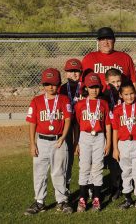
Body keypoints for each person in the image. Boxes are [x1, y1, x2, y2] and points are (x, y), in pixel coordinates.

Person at [25, 68, 73, 215]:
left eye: (53, 84)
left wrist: (63, 138)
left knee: (59, 172)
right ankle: (39, 201)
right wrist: (32, 143)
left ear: (58, 84)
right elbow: (32, 123)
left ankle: (62, 201)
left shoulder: (64, 99)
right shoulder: (37, 101)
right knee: (39, 172)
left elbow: (67, 120)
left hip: (58, 141)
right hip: (42, 141)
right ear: (43, 85)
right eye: (47, 84)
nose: (50, 87)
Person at [112, 81, 136, 212]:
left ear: (135, 94)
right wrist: (115, 148)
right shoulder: (117, 110)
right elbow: (115, 130)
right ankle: (128, 198)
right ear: (121, 95)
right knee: (126, 172)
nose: (129, 97)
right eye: (126, 94)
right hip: (123, 143)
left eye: (132, 94)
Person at [75, 73, 111, 212]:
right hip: (84, 136)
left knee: (97, 167)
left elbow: (107, 124)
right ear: (86, 88)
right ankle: (82, 198)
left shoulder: (104, 104)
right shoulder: (80, 104)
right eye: (91, 87)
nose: (94, 90)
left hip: (99, 136)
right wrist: (76, 142)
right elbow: (77, 125)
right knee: (84, 167)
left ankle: (96, 197)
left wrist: (108, 143)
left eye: (96, 87)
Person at [59, 58, 82, 194]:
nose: (73, 74)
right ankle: (65, 187)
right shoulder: (61, 88)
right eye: (70, 71)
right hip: (66, 126)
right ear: (66, 73)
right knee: (66, 158)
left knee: (84, 158)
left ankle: (88, 187)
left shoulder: (85, 87)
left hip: (82, 125)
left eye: (76, 71)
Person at [101, 68, 125, 201]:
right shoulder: (104, 95)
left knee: (124, 160)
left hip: (124, 130)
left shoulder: (124, 93)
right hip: (111, 132)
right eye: (113, 82)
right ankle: (115, 187)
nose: (116, 84)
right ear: (106, 82)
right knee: (113, 162)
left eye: (118, 81)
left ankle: (127, 185)